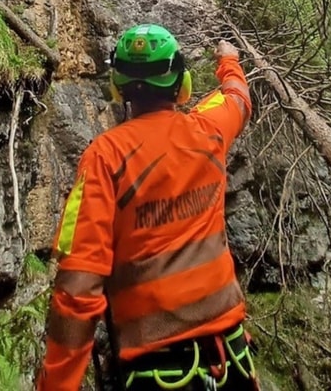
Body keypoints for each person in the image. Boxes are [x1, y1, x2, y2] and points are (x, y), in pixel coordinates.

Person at [36, 23, 259, 391]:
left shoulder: (103, 158)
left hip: (157, 376)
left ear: (118, 86)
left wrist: (56, 386)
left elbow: (77, 287)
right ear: (181, 83)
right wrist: (228, 60)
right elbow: (237, 98)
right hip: (232, 361)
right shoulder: (209, 130)